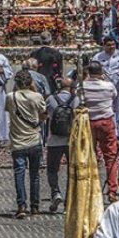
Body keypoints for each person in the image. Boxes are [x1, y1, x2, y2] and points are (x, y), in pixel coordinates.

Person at [5, 69, 47, 219]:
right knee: (34, 175)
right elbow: (44, 115)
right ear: (31, 82)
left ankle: (21, 205)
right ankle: (35, 206)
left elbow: (8, 111)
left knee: (19, 174)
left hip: (18, 141)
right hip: (34, 139)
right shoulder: (37, 96)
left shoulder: (10, 97)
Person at [84, 60, 119, 204]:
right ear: (101, 73)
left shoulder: (83, 86)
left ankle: (92, 188)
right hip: (106, 121)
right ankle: (112, 190)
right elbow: (114, 96)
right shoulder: (108, 86)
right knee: (110, 157)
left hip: (89, 121)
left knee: (90, 156)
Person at [45, 77, 79, 212]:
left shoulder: (51, 99)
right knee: (72, 171)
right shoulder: (76, 100)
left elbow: (45, 115)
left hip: (54, 140)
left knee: (52, 169)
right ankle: (69, 201)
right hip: (71, 140)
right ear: (71, 88)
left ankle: (55, 192)